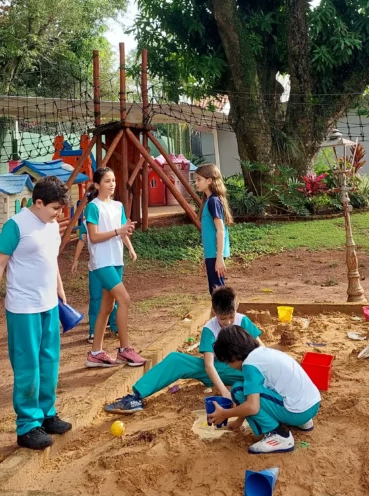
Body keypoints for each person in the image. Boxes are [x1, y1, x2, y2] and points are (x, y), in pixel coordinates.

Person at [0, 175, 73, 450]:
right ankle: (27, 426)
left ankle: (46, 414)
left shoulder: (51, 225)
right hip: (23, 308)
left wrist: (59, 289)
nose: (58, 214)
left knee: (49, 362)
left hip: (49, 305)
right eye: (55, 208)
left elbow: (51, 260)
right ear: (39, 202)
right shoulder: (16, 225)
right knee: (27, 366)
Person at [103, 285, 262, 414]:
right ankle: (136, 397)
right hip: (217, 370)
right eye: (223, 318)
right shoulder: (210, 329)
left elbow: (261, 350)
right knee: (176, 359)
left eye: (231, 317)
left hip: (244, 370)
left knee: (253, 377)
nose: (227, 322)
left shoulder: (242, 320)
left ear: (237, 307)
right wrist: (224, 392)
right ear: (214, 311)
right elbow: (208, 365)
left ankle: (242, 388)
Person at [208, 324, 321, 454]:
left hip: (298, 413)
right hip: (311, 406)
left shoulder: (250, 365)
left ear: (233, 356)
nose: (230, 366)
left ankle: (278, 435)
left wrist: (224, 413)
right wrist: (239, 421)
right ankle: (302, 423)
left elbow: (252, 407)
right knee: (252, 391)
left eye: (228, 362)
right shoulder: (263, 353)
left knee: (238, 390)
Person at [83, 167, 145, 369]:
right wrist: (118, 230)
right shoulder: (93, 207)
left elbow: (122, 231)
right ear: (97, 184)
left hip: (116, 260)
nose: (112, 184)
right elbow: (94, 237)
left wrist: (130, 246)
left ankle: (95, 353)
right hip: (101, 262)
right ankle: (125, 350)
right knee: (124, 299)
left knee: (107, 307)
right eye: (107, 181)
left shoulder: (118, 206)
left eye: (113, 180)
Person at [70, 200, 118, 343]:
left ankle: (114, 326)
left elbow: (122, 235)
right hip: (96, 266)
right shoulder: (86, 224)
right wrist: (76, 260)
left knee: (114, 297)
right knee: (96, 298)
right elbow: (81, 241)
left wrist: (131, 249)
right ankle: (93, 331)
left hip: (112, 264)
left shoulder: (112, 219)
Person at [193, 163, 232, 295]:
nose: (196, 183)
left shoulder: (213, 201)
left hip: (216, 254)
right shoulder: (209, 200)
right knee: (215, 290)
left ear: (209, 180)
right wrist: (207, 255)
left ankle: (229, 308)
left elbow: (220, 230)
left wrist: (218, 257)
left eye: (199, 179)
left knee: (218, 292)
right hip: (212, 254)